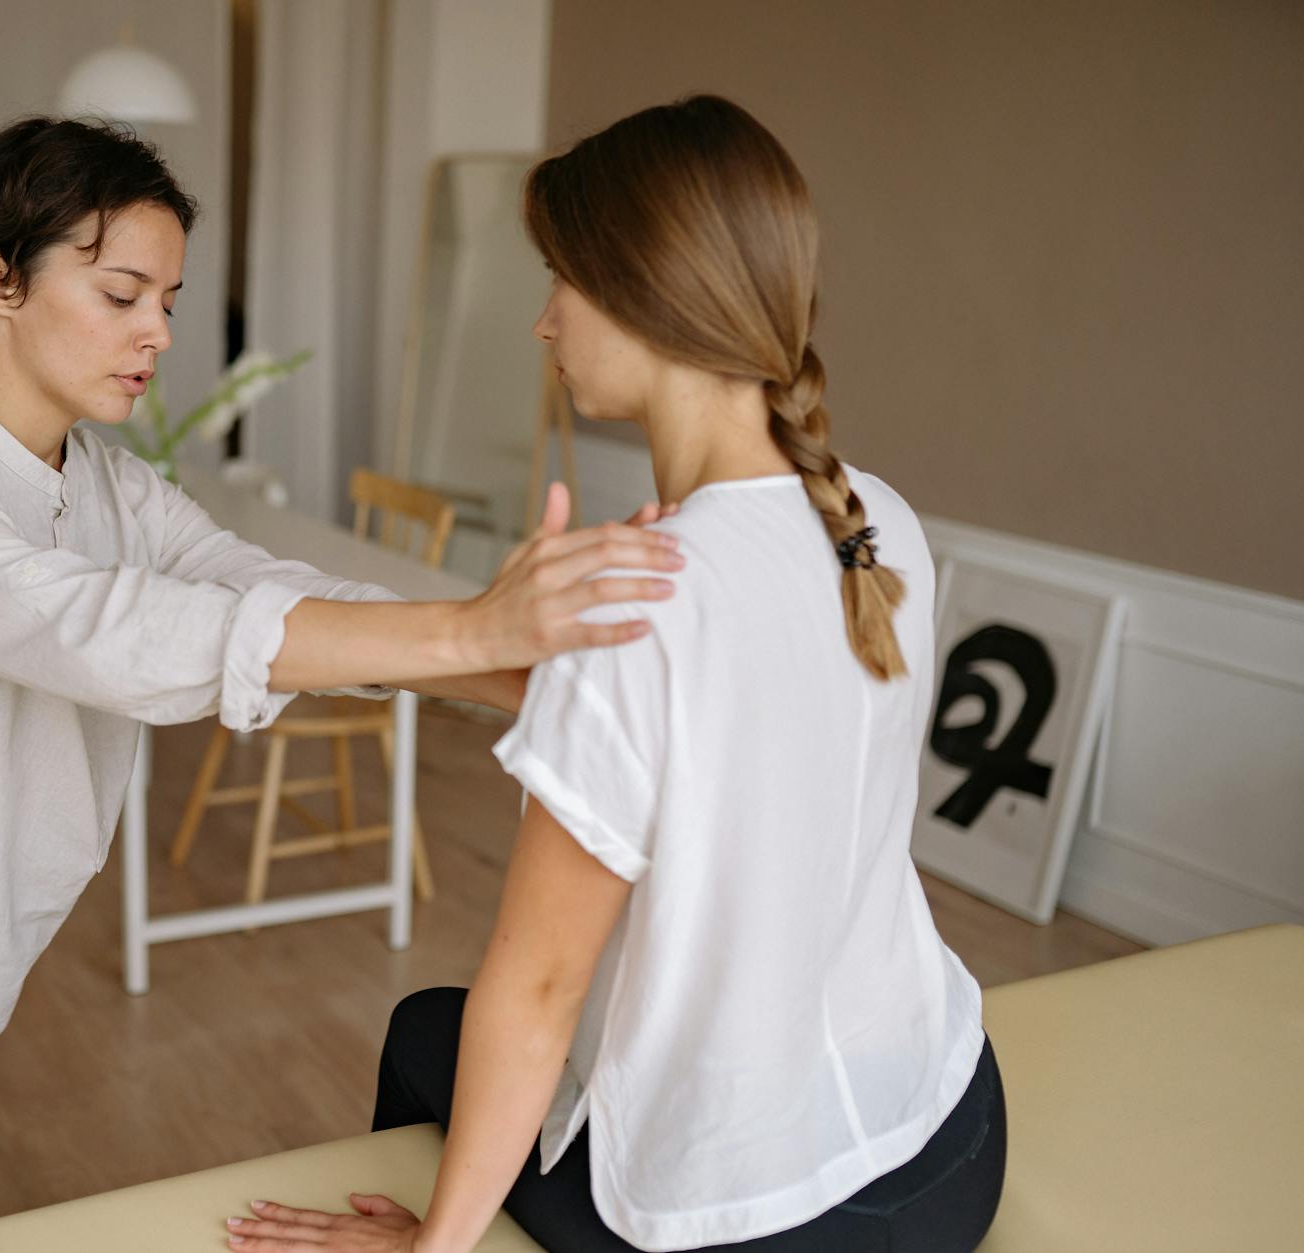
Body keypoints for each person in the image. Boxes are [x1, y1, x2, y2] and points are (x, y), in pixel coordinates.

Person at [0, 116, 684, 1252]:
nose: (158, 331)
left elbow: (265, 585)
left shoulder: (112, 486)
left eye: (166, 299)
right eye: (121, 294)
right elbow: (124, 632)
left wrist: (523, 669)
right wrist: (469, 629)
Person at [226, 95, 1005, 1253]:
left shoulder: (632, 607)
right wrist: (504, 654)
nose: (543, 320)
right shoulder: (872, 518)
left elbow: (539, 991)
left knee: (425, 1030)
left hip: (767, 1226)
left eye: (559, 278)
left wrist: (432, 1246)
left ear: (644, 294)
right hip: (949, 1132)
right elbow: (740, 727)